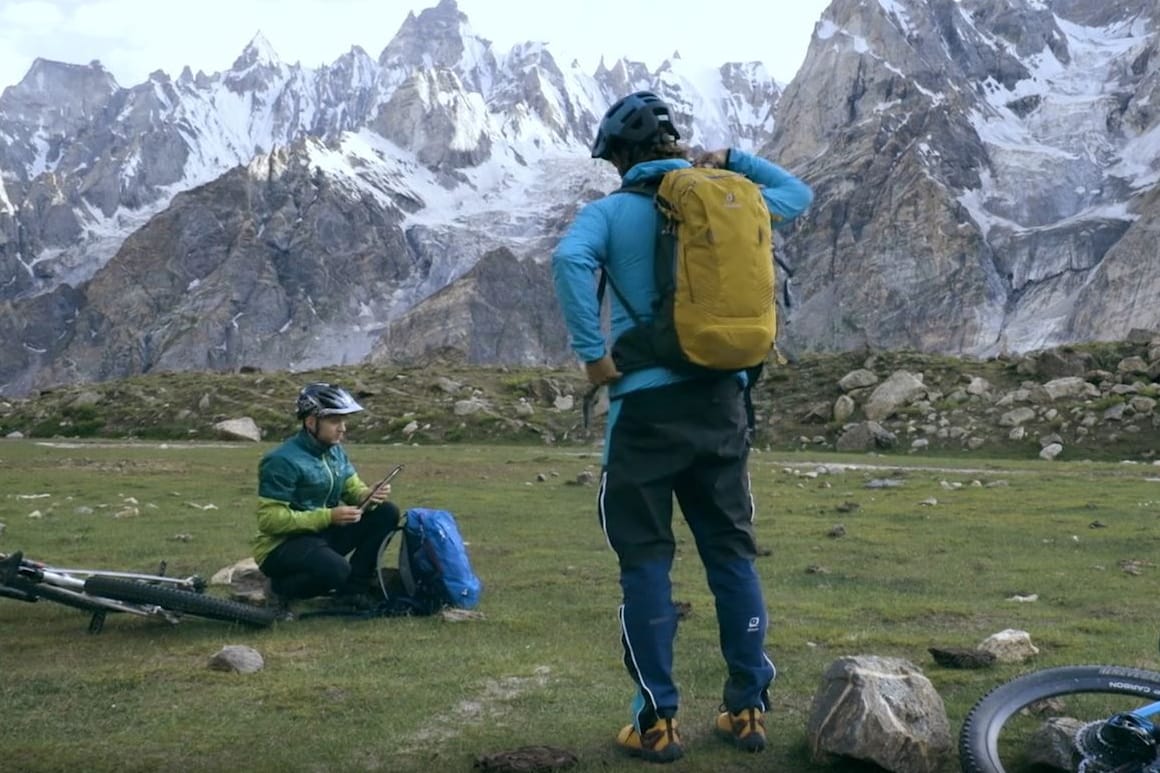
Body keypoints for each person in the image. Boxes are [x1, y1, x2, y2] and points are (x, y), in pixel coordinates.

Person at [551, 90, 813, 763]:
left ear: (620, 158)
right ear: (673, 144)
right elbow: (797, 194)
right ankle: (747, 708)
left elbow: (569, 262)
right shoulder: (735, 197)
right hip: (723, 405)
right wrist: (733, 159)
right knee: (730, 554)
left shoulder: (609, 213)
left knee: (645, 560)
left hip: (645, 411)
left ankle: (657, 720)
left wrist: (593, 354)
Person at [252, 382, 401, 619]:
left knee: (386, 512)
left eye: (343, 421)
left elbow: (353, 489)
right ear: (311, 422)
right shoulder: (281, 461)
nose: (342, 429)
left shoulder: (334, 451)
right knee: (336, 570)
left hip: (320, 535)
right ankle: (279, 588)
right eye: (334, 421)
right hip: (282, 546)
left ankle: (354, 592)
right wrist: (329, 516)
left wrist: (367, 495)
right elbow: (270, 520)